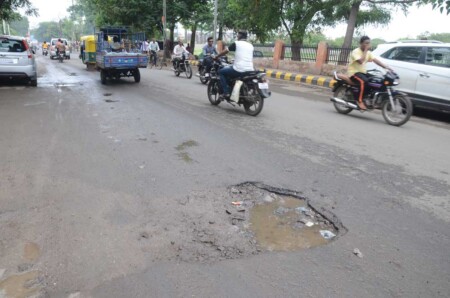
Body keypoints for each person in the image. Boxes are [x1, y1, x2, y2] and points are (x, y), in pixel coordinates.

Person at [347, 36, 392, 110]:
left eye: (368, 43)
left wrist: (386, 67)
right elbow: (361, 61)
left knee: (375, 80)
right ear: (361, 43)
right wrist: (365, 50)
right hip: (354, 72)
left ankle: (367, 98)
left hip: (362, 72)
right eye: (366, 43)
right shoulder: (356, 51)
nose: (367, 45)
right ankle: (359, 101)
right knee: (364, 81)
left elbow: (375, 60)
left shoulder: (368, 53)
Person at [215, 31, 254, 100]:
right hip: (250, 69)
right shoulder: (250, 45)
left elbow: (225, 51)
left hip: (239, 69)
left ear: (240, 36)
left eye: (238, 35)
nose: (237, 36)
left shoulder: (237, 43)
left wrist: (217, 56)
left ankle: (226, 92)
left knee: (221, 72)